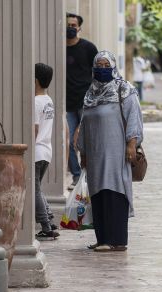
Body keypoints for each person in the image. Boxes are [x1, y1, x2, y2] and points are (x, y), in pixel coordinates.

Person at [77, 51, 143, 252]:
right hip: (95, 153)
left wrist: (132, 144)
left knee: (114, 190)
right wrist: (84, 152)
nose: (102, 68)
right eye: (99, 65)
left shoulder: (124, 89)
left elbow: (133, 117)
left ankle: (116, 240)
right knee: (97, 193)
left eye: (107, 65)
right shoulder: (91, 92)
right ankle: (102, 238)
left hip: (116, 151)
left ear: (114, 67)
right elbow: (84, 123)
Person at [66, 12, 98, 190]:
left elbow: (97, 74)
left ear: (79, 28)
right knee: (69, 141)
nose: (70, 28)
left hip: (86, 103)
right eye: (68, 25)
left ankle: (90, 174)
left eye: (73, 25)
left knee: (87, 140)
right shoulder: (58, 48)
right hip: (68, 105)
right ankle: (77, 176)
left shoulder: (88, 48)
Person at [34, 63, 60, 240]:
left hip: (36, 151)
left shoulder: (35, 101)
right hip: (46, 150)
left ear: (35, 80)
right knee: (37, 188)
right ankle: (49, 219)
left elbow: (34, 129)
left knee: (34, 190)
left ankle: (46, 226)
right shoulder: (48, 100)